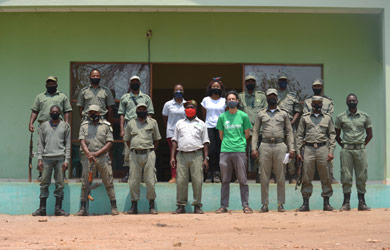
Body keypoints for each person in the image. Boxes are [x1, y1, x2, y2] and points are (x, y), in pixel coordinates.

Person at [251, 89, 295, 213]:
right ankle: (264, 204)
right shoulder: (261, 114)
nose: (272, 97)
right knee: (264, 177)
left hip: (280, 145)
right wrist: (254, 148)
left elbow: (290, 132)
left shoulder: (284, 114)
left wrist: (291, 148)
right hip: (265, 145)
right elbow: (255, 132)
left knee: (281, 176)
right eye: (269, 95)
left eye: (274, 95)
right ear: (266, 97)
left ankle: (281, 204)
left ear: (277, 98)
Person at [76, 105, 119, 216]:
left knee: (108, 182)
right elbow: (82, 141)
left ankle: (114, 207)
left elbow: (110, 142)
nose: (93, 114)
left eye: (95, 112)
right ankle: (83, 208)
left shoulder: (106, 126)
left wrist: (97, 153)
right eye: (90, 113)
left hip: (103, 158)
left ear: (100, 113)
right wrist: (89, 153)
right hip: (88, 158)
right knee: (85, 183)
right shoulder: (84, 126)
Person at [215, 91, 253, 214]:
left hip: (239, 151)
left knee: (242, 179)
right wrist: (229, 143)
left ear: (237, 101)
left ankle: (245, 205)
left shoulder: (243, 116)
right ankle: (223, 206)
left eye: (233, 98)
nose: (231, 100)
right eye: (229, 99)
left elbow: (247, 134)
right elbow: (221, 135)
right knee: (225, 179)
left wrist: (239, 143)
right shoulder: (222, 117)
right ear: (226, 102)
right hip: (225, 151)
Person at [296, 96, 336, 212]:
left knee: (325, 176)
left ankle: (327, 203)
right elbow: (299, 135)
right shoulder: (305, 118)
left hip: (322, 148)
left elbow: (332, 135)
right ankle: (305, 203)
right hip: (308, 148)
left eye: (319, 103)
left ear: (322, 104)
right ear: (312, 105)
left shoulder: (327, 118)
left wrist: (331, 151)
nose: (317, 105)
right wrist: (299, 151)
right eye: (315, 103)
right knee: (307, 176)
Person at [29, 76, 72, 181]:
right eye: (49, 83)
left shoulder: (62, 96)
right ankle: (41, 174)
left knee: (61, 149)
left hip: (59, 126)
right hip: (44, 126)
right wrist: (31, 123)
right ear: (46, 84)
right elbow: (35, 111)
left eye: (53, 83)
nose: (51, 85)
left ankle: (63, 174)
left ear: (56, 84)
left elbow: (67, 110)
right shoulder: (40, 97)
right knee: (42, 149)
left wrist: (66, 123)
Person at [170, 100, 209, 214]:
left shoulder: (202, 123)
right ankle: (181, 205)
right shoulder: (179, 123)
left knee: (197, 181)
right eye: (187, 107)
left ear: (195, 109)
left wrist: (206, 158)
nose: (190, 109)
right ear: (184, 110)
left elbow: (206, 142)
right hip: (181, 155)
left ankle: (197, 206)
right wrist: (172, 157)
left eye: (192, 107)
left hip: (197, 155)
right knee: (181, 181)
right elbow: (174, 141)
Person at [335, 94, 372, 211]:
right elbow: (336, 135)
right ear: (346, 102)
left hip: (361, 150)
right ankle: (346, 203)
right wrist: (344, 146)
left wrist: (362, 145)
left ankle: (362, 202)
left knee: (362, 175)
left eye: (353, 100)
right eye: (350, 101)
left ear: (357, 101)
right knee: (346, 175)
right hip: (347, 150)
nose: (352, 102)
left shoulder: (365, 116)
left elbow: (370, 134)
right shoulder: (341, 117)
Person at [32, 105, 70, 216]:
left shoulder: (65, 126)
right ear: (49, 113)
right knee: (44, 183)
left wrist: (67, 159)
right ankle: (42, 209)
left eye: (56, 111)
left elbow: (68, 145)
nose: (54, 113)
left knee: (60, 184)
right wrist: (39, 158)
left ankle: (58, 209)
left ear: (60, 113)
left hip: (60, 158)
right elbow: (40, 144)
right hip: (46, 159)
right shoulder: (43, 126)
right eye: (52, 111)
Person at [124, 103, 161, 215]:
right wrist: (135, 148)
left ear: (147, 110)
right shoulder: (131, 123)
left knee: (150, 180)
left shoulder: (153, 123)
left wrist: (149, 150)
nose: (141, 110)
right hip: (134, 154)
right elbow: (127, 140)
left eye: (144, 109)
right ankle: (134, 206)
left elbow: (157, 139)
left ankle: (151, 206)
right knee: (134, 180)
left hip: (149, 153)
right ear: (136, 110)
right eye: (139, 109)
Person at [118, 75, 154, 183]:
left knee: (143, 149)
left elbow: (150, 114)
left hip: (143, 125)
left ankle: (143, 175)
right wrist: (121, 129)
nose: (135, 83)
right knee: (128, 151)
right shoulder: (125, 98)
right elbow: (121, 114)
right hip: (130, 125)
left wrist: (148, 126)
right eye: (132, 81)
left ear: (140, 83)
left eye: (136, 81)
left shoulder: (146, 98)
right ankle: (128, 174)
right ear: (130, 84)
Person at [303, 79, 338, 184]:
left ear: (322, 87)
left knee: (328, 155)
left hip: (325, 130)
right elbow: (306, 114)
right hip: (311, 129)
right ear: (312, 88)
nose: (317, 88)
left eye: (319, 86)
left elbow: (329, 115)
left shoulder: (328, 101)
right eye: (315, 86)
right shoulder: (307, 101)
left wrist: (320, 116)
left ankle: (330, 176)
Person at [238, 75, 267, 183]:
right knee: (241, 154)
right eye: (248, 81)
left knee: (258, 153)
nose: (250, 83)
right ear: (245, 83)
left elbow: (266, 112)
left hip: (258, 129)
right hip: (244, 130)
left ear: (255, 83)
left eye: (252, 81)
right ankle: (241, 175)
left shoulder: (262, 97)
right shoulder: (240, 97)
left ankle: (258, 174)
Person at [201, 77, 226, 183]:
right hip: (209, 127)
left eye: (217, 86)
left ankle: (217, 173)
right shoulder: (206, 100)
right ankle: (208, 173)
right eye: (213, 86)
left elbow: (226, 114)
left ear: (221, 88)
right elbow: (204, 113)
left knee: (219, 150)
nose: (215, 88)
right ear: (210, 88)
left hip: (220, 128)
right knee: (210, 151)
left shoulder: (224, 100)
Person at [277, 75, 302, 184]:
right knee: (278, 150)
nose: (283, 82)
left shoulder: (292, 96)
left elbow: (297, 111)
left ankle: (292, 175)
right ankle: (278, 174)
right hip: (277, 127)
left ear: (287, 82)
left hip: (290, 127)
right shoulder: (274, 95)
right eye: (281, 80)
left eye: (284, 81)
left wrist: (293, 122)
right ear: (278, 82)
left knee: (291, 150)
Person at [163, 84, 186, 183]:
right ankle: (174, 176)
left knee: (184, 154)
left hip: (184, 133)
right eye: (176, 90)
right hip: (172, 133)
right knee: (174, 155)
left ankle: (183, 176)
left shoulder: (186, 104)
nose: (178, 92)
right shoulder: (168, 104)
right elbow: (165, 118)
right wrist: (169, 128)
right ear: (173, 92)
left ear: (183, 92)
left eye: (180, 90)